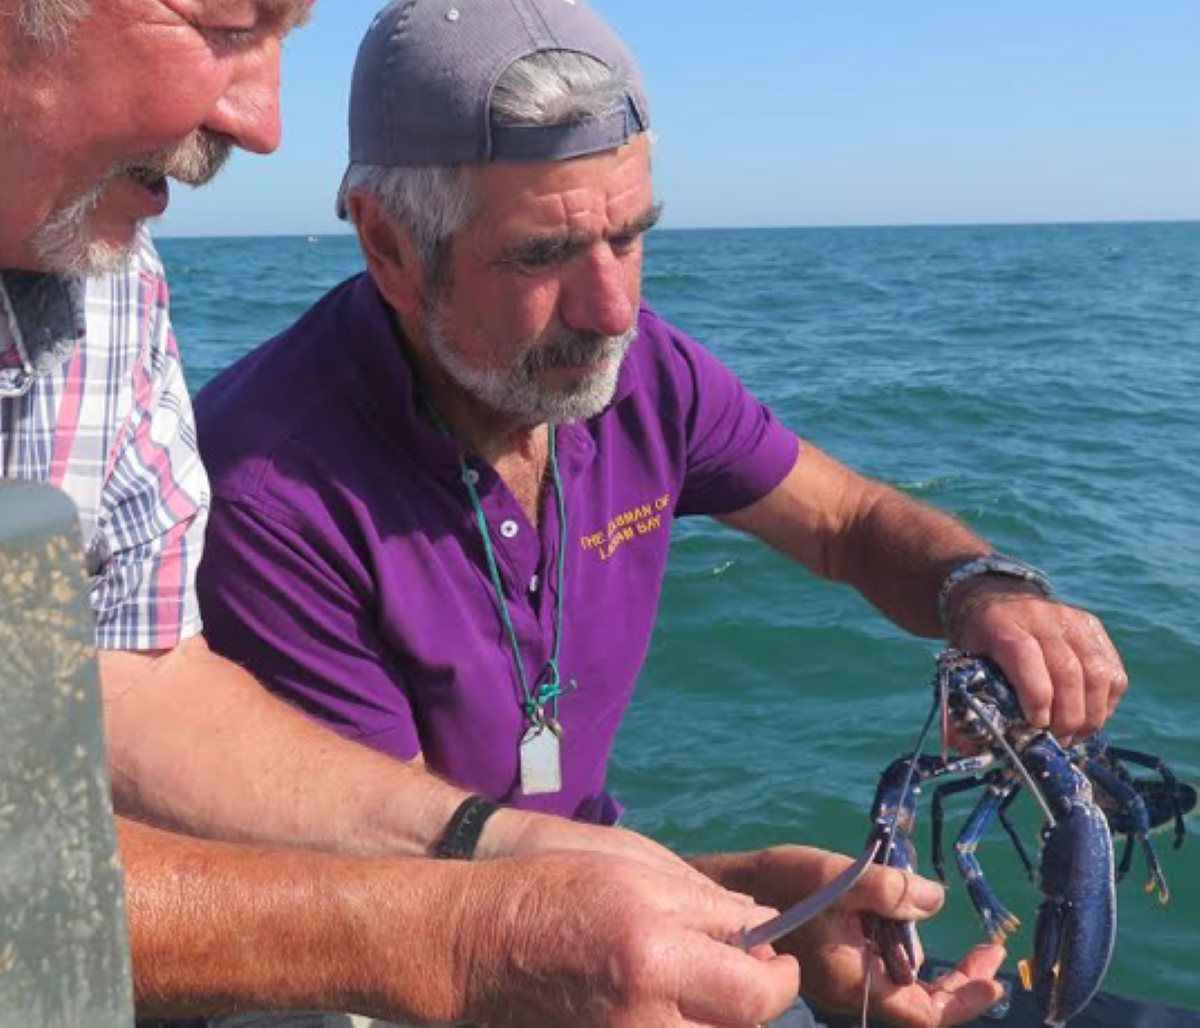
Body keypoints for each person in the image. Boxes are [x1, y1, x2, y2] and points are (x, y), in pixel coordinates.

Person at [193, 0, 1128, 1024]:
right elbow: (429, 897)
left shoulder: (644, 374)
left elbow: (848, 522)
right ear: (388, 246)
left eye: (631, 237)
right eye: (541, 254)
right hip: (370, 955)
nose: (612, 310)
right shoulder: (268, 488)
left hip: (551, 891)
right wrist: (752, 901)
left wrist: (978, 588)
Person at [0, 1, 875, 1024]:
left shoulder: (109, 286)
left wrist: (515, 858)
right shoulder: (272, 471)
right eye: (224, 24)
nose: (264, 121)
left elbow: (124, 682)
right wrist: (471, 930)